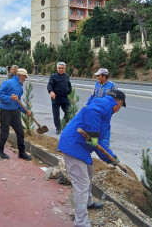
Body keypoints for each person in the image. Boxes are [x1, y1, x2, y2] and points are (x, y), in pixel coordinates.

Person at [58, 90, 126, 227]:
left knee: (89, 173)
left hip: (81, 148)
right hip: (73, 145)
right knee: (82, 184)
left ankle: (88, 203)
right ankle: (81, 222)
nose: (119, 109)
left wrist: (111, 158)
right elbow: (92, 111)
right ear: (119, 102)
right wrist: (93, 134)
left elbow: (101, 143)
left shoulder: (107, 116)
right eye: (121, 106)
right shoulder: (105, 103)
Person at [0, 68, 32, 161]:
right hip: (5, 111)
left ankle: (22, 152)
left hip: (15, 112)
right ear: (19, 75)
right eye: (24, 77)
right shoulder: (8, 83)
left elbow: (18, 102)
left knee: (20, 132)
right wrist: (9, 97)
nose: (25, 79)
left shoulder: (20, 87)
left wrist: (25, 110)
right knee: (5, 132)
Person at [86, 68, 118, 149]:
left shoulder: (112, 86)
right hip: (95, 109)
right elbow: (93, 95)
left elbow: (115, 99)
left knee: (105, 127)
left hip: (105, 111)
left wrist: (111, 111)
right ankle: (92, 142)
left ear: (104, 76)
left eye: (99, 76)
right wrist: (87, 104)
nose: (97, 77)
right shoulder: (97, 83)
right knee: (94, 124)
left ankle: (105, 146)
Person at [47, 62, 72, 134]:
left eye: (62, 68)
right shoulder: (53, 76)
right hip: (56, 98)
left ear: (64, 69)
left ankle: (63, 124)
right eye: (59, 68)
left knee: (69, 112)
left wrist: (71, 95)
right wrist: (51, 92)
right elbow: (49, 85)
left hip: (65, 98)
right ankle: (58, 128)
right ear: (57, 68)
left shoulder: (66, 76)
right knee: (56, 114)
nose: (60, 69)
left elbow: (69, 86)